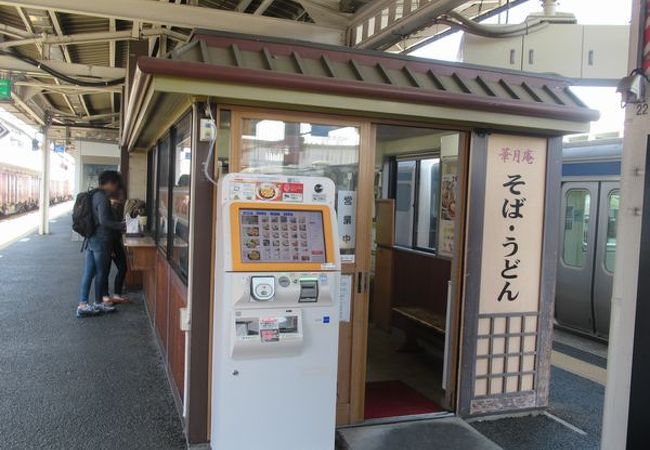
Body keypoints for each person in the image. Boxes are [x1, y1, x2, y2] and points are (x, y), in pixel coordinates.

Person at [77, 170, 125, 318]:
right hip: (101, 240)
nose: (116, 188)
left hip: (91, 239)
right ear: (110, 183)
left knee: (89, 272)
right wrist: (121, 225)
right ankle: (98, 302)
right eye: (115, 185)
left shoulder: (93, 195)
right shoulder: (103, 198)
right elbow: (104, 221)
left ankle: (83, 304)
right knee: (101, 273)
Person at [102, 183, 129, 304]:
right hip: (110, 242)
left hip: (114, 241)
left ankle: (113, 295)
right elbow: (109, 226)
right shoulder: (112, 207)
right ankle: (107, 296)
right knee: (112, 269)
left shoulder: (116, 206)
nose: (123, 196)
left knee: (120, 267)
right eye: (121, 194)